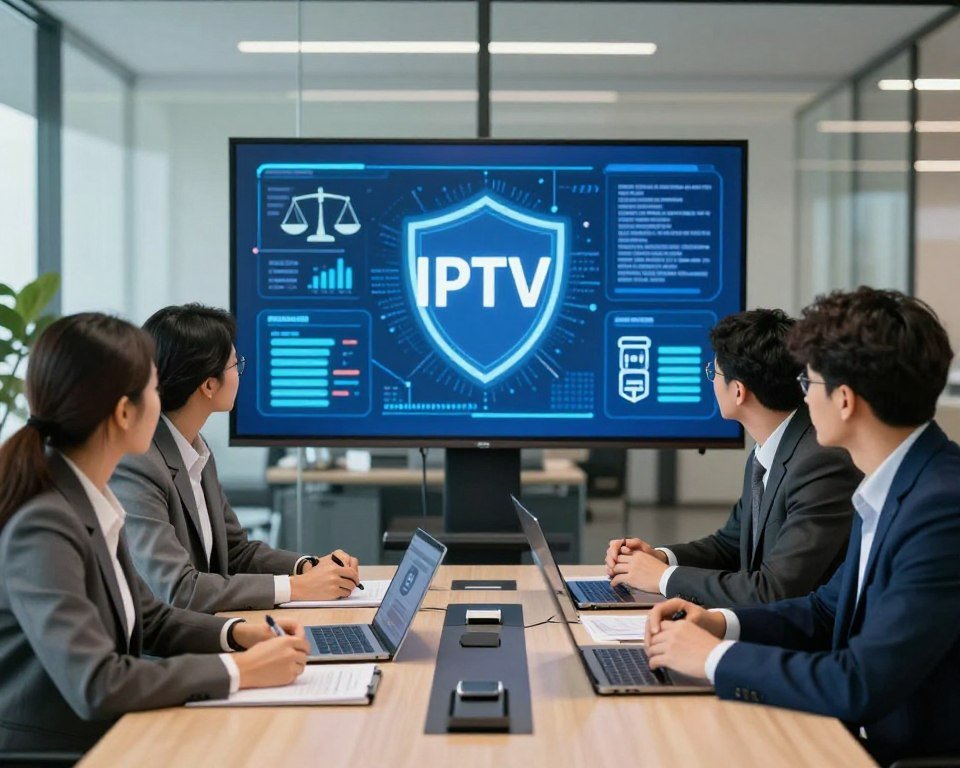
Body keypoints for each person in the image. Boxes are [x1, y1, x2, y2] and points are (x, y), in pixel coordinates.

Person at [644, 288, 960, 765]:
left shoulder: (941, 507)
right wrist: (718, 623)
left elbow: (859, 682)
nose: (802, 396)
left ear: (846, 400)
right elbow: (826, 611)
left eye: (808, 381)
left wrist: (711, 658)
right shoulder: (896, 483)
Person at [0, 313, 308, 753]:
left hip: (116, 732)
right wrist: (241, 671)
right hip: (65, 751)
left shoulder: (89, 497)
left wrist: (239, 634)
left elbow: (150, 617)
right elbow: (98, 683)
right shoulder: (43, 523)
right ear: (125, 412)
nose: (161, 401)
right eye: (152, 389)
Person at [110, 304, 361, 614]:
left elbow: (235, 551)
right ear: (209, 384)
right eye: (235, 365)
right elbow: (178, 590)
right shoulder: (138, 464)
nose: (240, 373)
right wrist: (298, 588)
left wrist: (307, 567)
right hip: (167, 651)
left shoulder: (196, 450)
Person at [605, 309, 860, 607]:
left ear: (738, 391)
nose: (711, 381)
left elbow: (774, 590)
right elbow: (731, 544)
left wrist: (662, 577)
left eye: (714, 373)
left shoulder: (821, 463)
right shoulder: (771, 449)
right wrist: (659, 558)